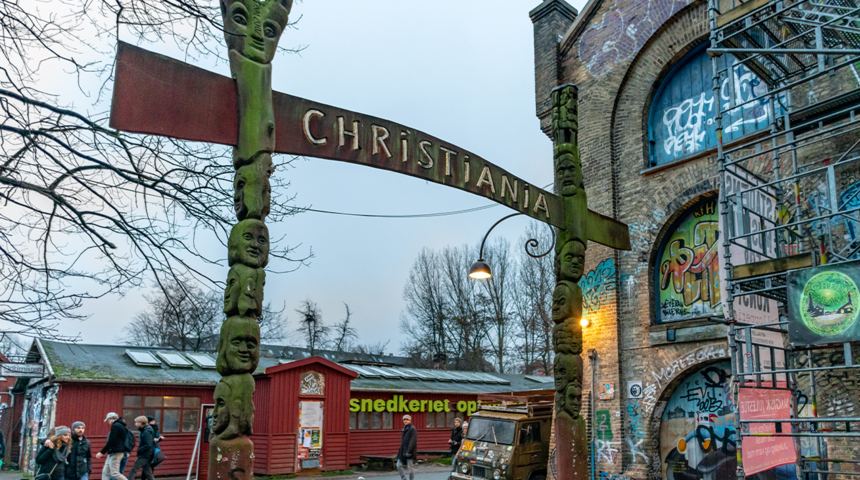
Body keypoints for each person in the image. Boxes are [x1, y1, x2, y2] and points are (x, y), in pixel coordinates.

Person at [96, 413, 129, 480]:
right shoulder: (122, 425)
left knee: (115, 473)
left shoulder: (115, 426)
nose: (108, 423)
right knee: (105, 472)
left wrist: (102, 452)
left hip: (115, 452)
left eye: (108, 420)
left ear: (111, 418)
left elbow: (112, 440)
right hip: (115, 451)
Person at [397, 414, 417, 480]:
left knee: (410, 468)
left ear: (410, 420)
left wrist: (409, 451)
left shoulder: (412, 429)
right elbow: (403, 442)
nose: (405, 421)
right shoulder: (404, 429)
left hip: (409, 452)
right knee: (399, 465)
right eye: (404, 420)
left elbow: (413, 441)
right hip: (403, 451)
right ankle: (404, 478)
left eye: (407, 419)